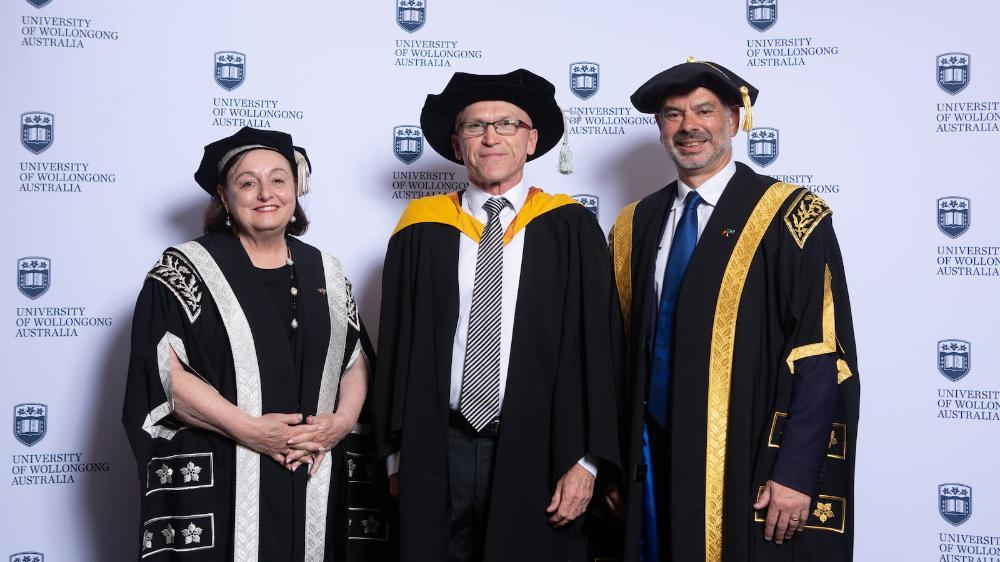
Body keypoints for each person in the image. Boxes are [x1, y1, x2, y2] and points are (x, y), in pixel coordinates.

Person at [608, 59, 861, 561]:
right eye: (673, 115)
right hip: (649, 457)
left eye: (704, 110)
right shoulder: (634, 223)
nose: (689, 126)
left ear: (733, 119)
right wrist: (611, 464)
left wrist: (795, 471)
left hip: (743, 453)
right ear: (660, 129)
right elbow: (612, 355)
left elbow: (819, 353)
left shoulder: (790, 215)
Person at [373, 69, 622, 562]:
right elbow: (398, 344)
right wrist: (397, 457)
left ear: (531, 141)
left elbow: (600, 350)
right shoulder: (420, 228)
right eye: (475, 126)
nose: (490, 136)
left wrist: (588, 464)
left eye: (507, 124)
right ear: (457, 142)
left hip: (541, 445)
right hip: (436, 444)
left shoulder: (570, 226)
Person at [123, 127, 385, 561]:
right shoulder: (183, 269)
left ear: (296, 191)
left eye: (279, 179)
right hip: (226, 470)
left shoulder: (327, 271)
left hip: (313, 469)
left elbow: (355, 360)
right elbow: (164, 372)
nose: (266, 192)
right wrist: (250, 431)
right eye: (247, 182)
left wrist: (339, 423)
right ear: (224, 197)